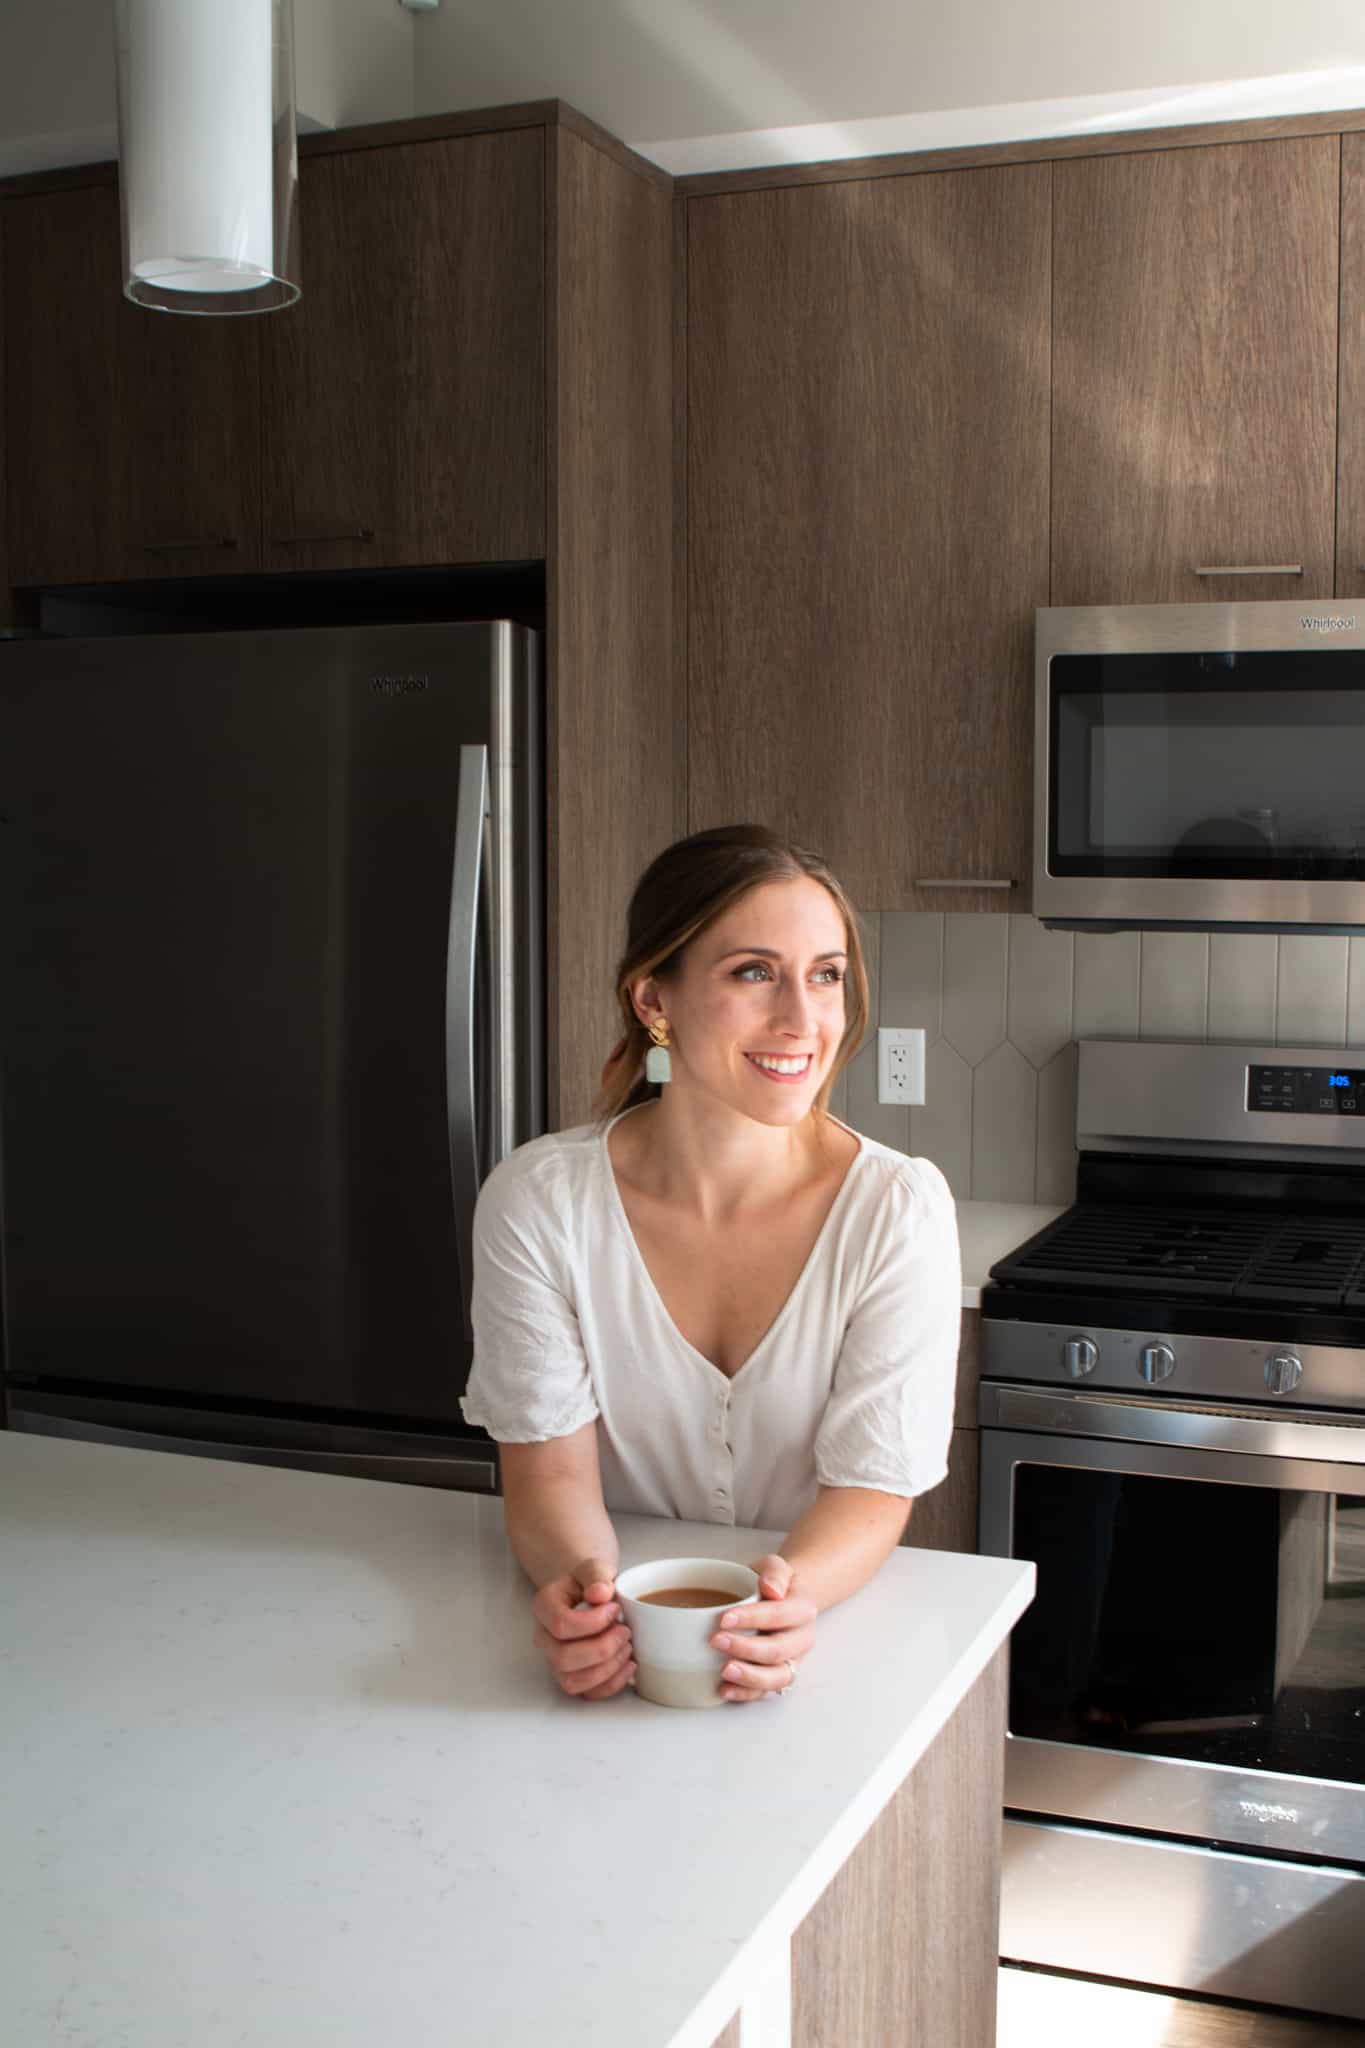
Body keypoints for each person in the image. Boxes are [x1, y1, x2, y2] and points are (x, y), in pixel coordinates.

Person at [460, 824, 961, 1705]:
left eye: (826, 975)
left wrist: (783, 1604)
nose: (803, 1022)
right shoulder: (539, 1201)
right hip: (616, 1661)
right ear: (655, 998)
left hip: (821, 1657)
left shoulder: (896, 1210)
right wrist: (586, 1597)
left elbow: (872, 1489)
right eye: (753, 973)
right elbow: (547, 1475)